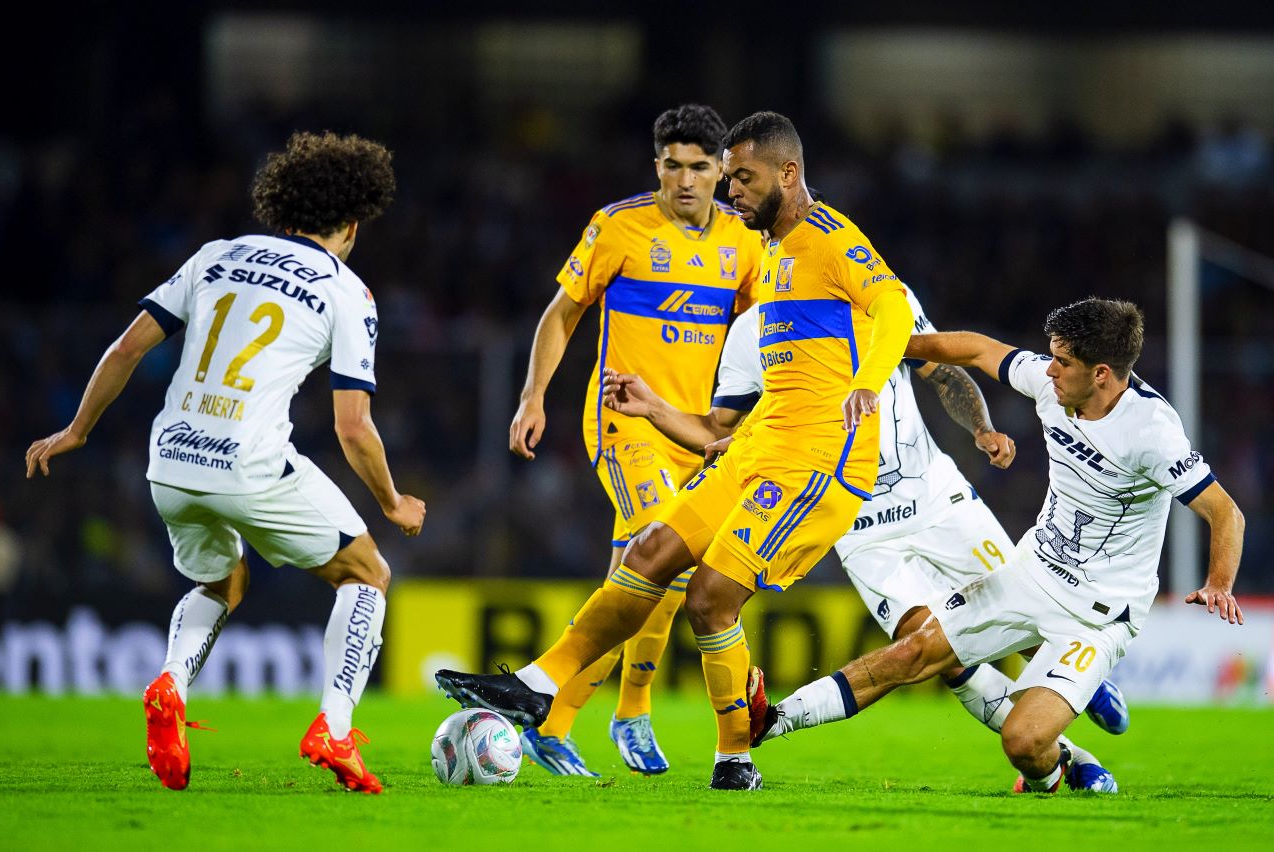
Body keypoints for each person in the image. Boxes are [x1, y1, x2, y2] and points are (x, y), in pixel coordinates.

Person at [438, 110, 915, 790]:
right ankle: (538, 689)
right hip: (755, 444)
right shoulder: (768, 248)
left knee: (711, 597)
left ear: (787, 174)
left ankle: (732, 757)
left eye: (742, 179)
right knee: (651, 553)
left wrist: (868, 384)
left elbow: (892, 305)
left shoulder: (827, 237)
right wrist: (660, 409)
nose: (732, 192)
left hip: (820, 460)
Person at [602, 286, 1130, 792]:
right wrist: (656, 411)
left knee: (1031, 606)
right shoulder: (749, 332)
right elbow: (720, 429)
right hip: (856, 521)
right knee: (937, 648)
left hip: (939, 499)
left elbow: (943, 373)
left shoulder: (881, 299)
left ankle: (1078, 681)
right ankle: (1066, 758)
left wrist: (981, 429)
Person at [24, 131, 426, 794]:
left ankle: (171, 684)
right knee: (367, 574)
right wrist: (391, 502)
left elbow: (125, 350)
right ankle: (334, 727)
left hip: (171, 459)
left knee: (223, 581)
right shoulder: (346, 290)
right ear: (353, 223)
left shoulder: (218, 254)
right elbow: (353, 427)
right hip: (249, 461)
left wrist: (76, 429)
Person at [751, 298, 1245, 793]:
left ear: (1100, 374)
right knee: (915, 651)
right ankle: (773, 720)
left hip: (1100, 612)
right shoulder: (1053, 385)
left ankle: (1047, 764)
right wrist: (892, 347)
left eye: (1062, 363)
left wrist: (1218, 583)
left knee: (1023, 740)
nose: (1048, 370)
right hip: (1030, 575)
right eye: (1050, 356)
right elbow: (978, 350)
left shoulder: (1151, 432)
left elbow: (1225, 512)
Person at [506, 104, 762, 776]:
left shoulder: (745, 241)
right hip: (625, 424)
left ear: (722, 171)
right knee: (660, 549)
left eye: (700, 168)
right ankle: (609, 714)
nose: (684, 180)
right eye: (672, 166)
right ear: (657, 166)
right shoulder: (618, 226)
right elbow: (561, 315)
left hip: (697, 433)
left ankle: (584, 717)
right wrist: (534, 397)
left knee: (641, 575)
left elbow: (758, 334)